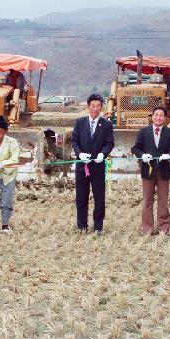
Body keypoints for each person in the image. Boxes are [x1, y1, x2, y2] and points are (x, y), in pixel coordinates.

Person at [131, 106, 170, 235]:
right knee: (148, 200)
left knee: (163, 200)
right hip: (148, 171)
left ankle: (164, 227)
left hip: (163, 171)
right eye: (156, 115)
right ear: (152, 117)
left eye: (161, 115)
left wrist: (169, 155)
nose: (158, 118)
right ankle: (148, 228)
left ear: (165, 118)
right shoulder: (144, 132)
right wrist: (142, 155)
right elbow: (135, 148)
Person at [71, 94, 115, 234]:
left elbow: (109, 143)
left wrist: (103, 154)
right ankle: (82, 226)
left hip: (98, 167)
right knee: (81, 197)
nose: (95, 109)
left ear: (102, 108)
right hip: (82, 167)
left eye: (98, 106)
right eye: (93, 106)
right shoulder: (80, 122)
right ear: (88, 107)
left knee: (99, 198)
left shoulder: (106, 125)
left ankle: (98, 227)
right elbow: (75, 141)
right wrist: (80, 154)